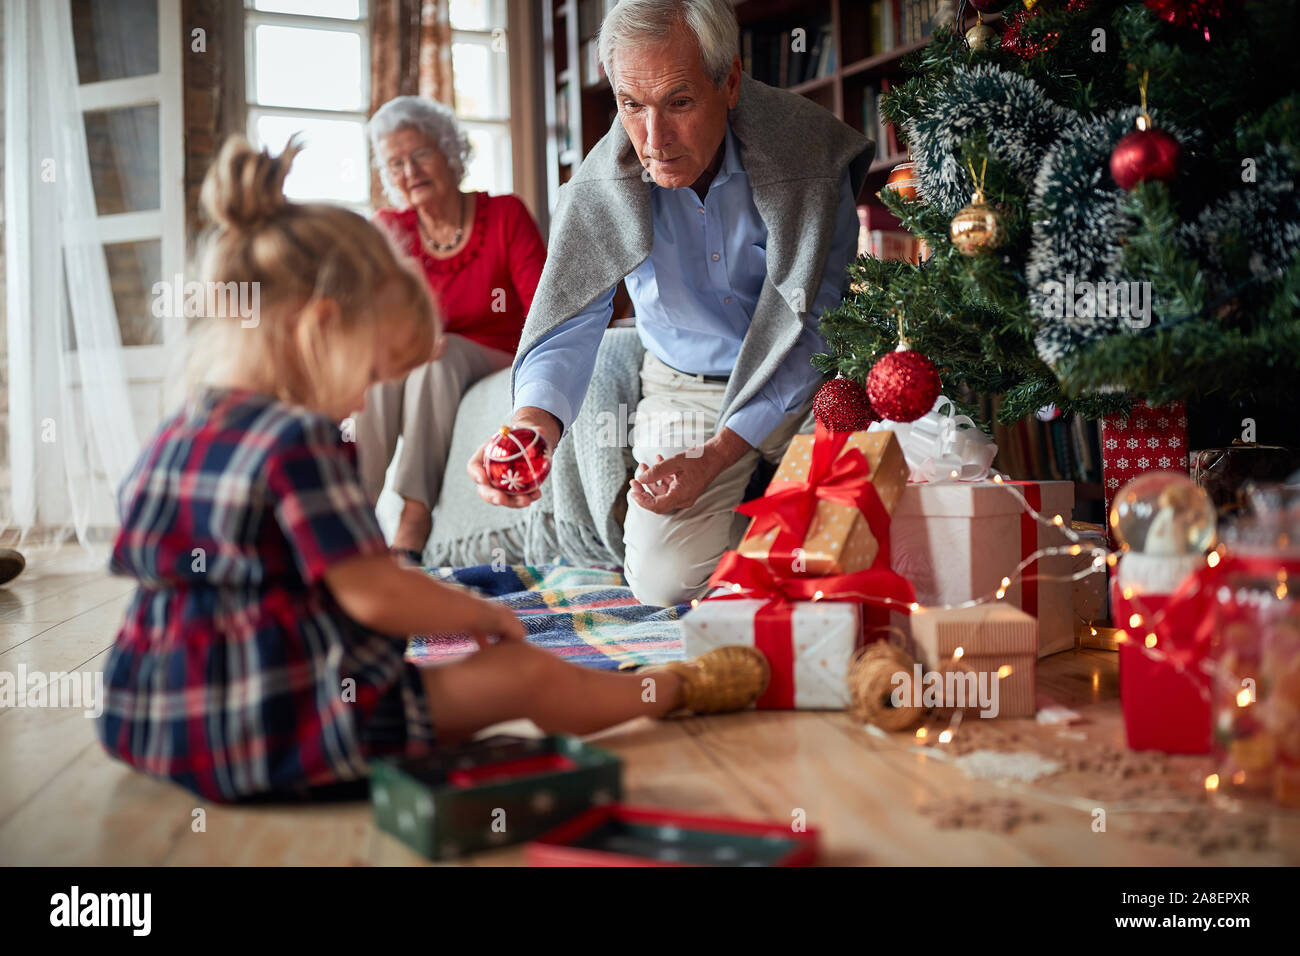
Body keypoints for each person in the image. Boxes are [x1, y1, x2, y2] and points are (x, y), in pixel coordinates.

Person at [98, 137, 770, 803]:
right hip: (282, 729)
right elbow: (378, 594)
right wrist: (485, 617)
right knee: (523, 676)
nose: (363, 401)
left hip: (153, 722)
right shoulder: (297, 442)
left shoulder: (179, 431)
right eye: (368, 374)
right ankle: (680, 684)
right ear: (321, 327)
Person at [467, 0, 871, 607]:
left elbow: (817, 325)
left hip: (809, 383)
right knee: (662, 581)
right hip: (686, 386)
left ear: (729, 81)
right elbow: (570, 320)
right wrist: (533, 425)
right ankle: (777, 534)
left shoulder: (812, 157)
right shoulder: (604, 182)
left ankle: (773, 524)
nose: (653, 140)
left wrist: (718, 457)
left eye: (679, 102)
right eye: (631, 105)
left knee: (866, 531)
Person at [355, 97, 546, 560]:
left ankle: (415, 520)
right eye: (395, 163)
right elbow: (373, 316)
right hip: (429, 358)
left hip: (500, 353)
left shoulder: (504, 216)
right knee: (388, 370)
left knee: (437, 359)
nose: (410, 171)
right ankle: (353, 511)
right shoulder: (389, 229)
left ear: (449, 153)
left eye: (420, 154)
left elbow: (543, 311)